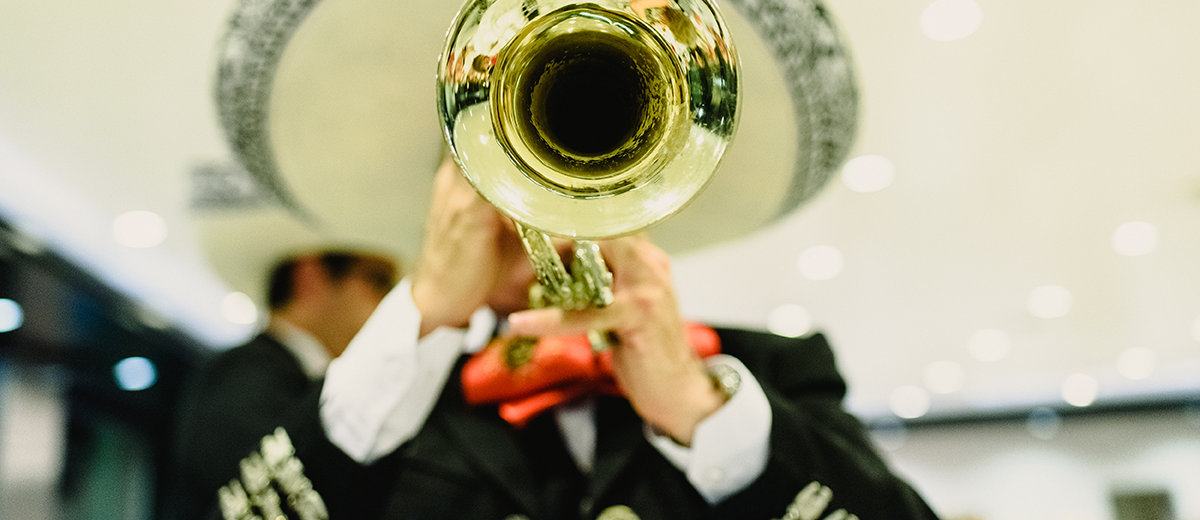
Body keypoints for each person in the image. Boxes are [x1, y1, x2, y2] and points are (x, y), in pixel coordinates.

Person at [205, 161, 940, 520]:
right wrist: (427, 311)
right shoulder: (381, 392)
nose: (550, 213)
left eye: (581, 171)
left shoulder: (773, 366)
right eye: (512, 179)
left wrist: (696, 406)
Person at [168, 249, 398, 520]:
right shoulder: (245, 370)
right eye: (379, 282)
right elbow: (256, 489)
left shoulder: (270, 372)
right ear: (309, 277)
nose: (388, 304)